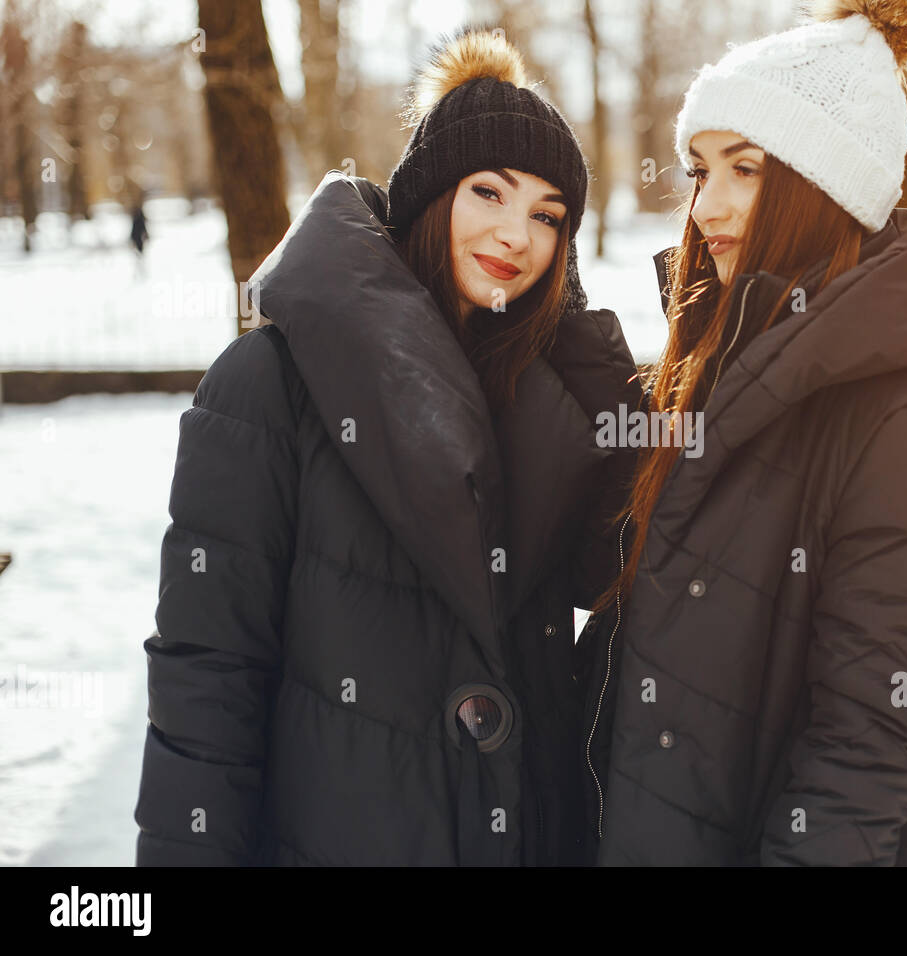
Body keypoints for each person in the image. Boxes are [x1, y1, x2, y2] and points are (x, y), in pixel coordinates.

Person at [134, 26, 640, 866]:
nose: (517, 234)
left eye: (548, 216)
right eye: (490, 191)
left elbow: (613, 564)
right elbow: (207, 674)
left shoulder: (537, 389)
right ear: (431, 194)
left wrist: (576, 328)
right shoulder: (271, 385)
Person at [578, 0, 907, 865]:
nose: (707, 205)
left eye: (746, 169)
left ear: (823, 183)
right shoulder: (738, 360)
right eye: (699, 170)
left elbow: (867, 748)